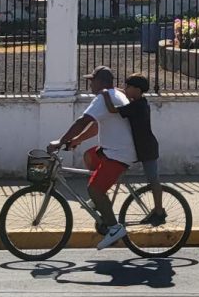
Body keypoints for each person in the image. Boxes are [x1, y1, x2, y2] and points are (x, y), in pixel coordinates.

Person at [50, 66, 136, 250]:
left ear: (101, 82)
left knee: (93, 189)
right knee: (89, 156)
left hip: (118, 154)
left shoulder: (102, 98)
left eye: (92, 80)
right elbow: (97, 125)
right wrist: (77, 140)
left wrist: (60, 141)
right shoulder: (114, 94)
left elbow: (82, 121)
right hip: (114, 150)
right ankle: (99, 202)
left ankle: (114, 228)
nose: (90, 84)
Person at [100, 72, 165, 225]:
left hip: (147, 149)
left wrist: (106, 95)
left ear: (137, 89)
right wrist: (118, 91)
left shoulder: (137, 106)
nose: (125, 89)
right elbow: (127, 97)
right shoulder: (140, 102)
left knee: (153, 180)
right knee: (117, 171)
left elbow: (112, 110)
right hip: (138, 147)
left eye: (128, 87)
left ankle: (159, 212)